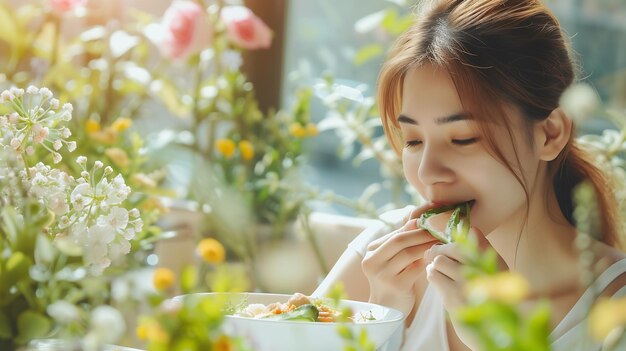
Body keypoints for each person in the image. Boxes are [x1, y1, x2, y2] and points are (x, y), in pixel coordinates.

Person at [313, 0, 626, 350]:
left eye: (463, 138)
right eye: (413, 140)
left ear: (550, 134)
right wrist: (379, 315)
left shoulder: (615, 310)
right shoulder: (382, 258)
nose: (428, 172)